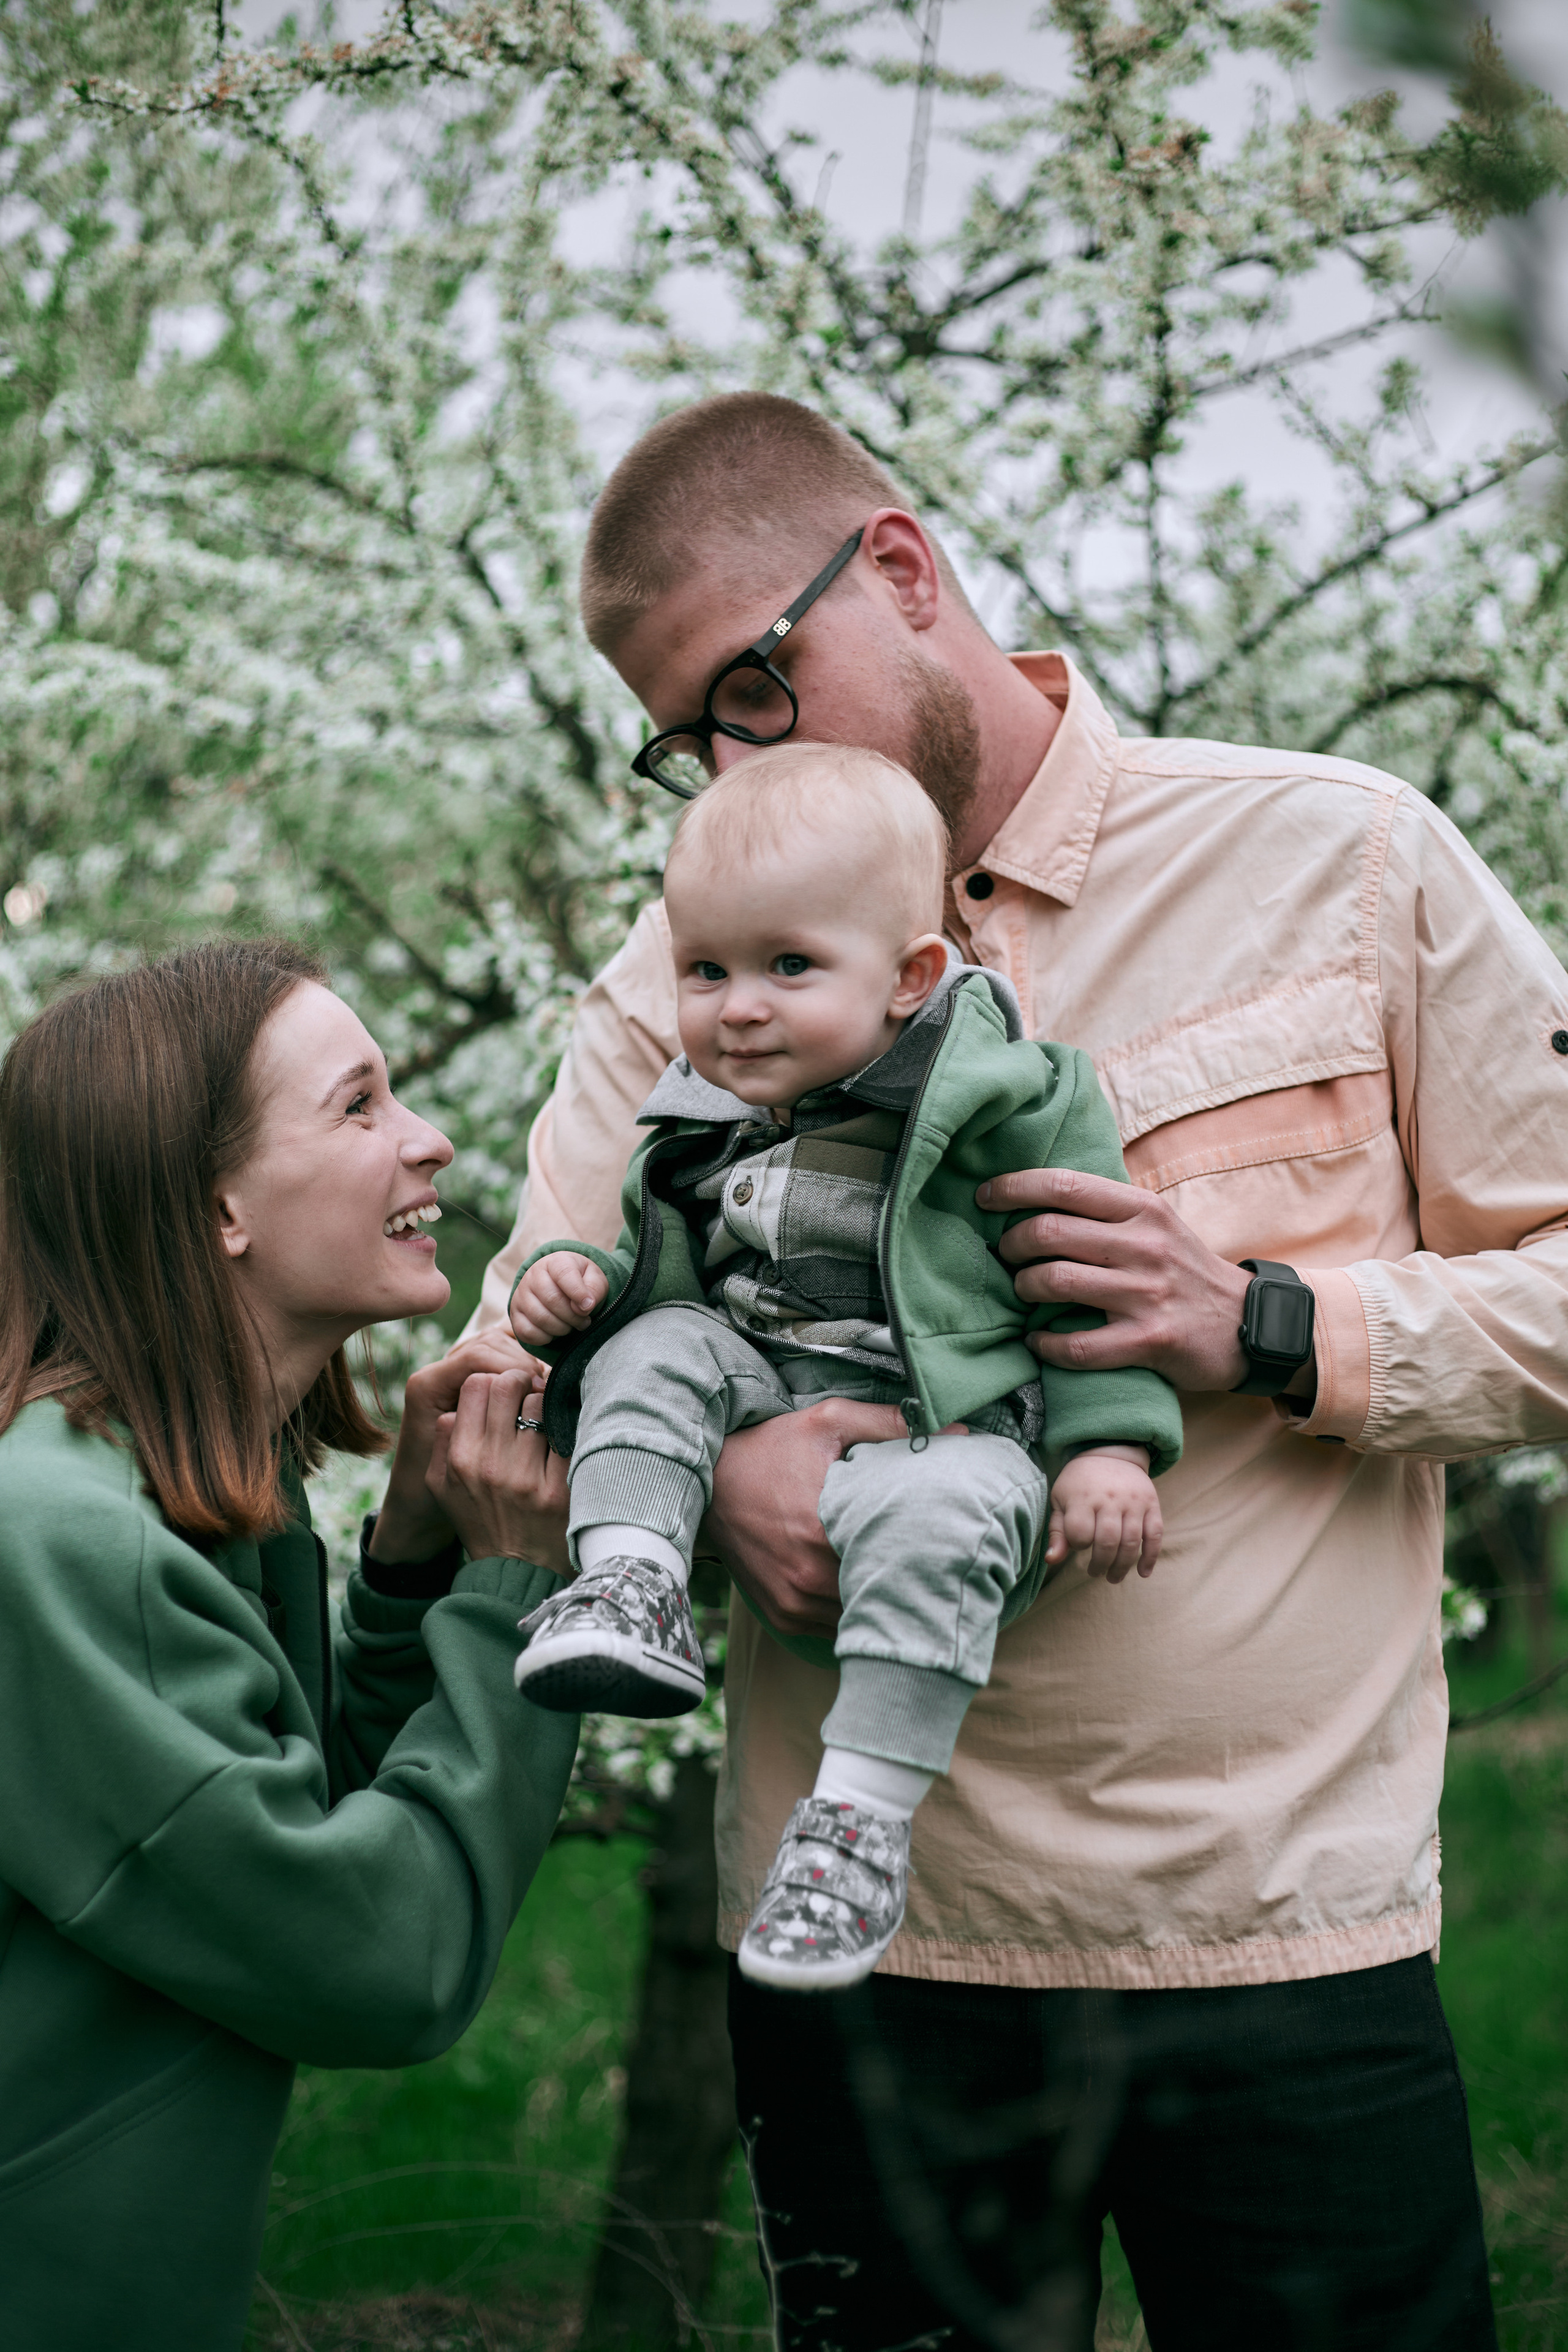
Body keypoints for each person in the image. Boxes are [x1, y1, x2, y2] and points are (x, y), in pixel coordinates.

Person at [473, 393, 1568, 2350]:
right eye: (689, 735)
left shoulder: (1339, 860)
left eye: (755, 683)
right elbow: (517, 1362)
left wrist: (1276, 1325)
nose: (736, 761)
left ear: (899, 571)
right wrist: (710, 1470)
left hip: (1283, 1941)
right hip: (868, 1965)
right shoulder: (683, 974)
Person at [507, 743, 1181, 1990]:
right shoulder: (707, 1108)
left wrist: (1105, 1447)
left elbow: (1090, 1284)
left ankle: (857, 1825)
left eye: (787, 967)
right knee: (653, 1347)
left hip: (941, 1428)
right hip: (762, 1391)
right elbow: (667, 1280)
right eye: (703, 970)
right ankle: (632, 1584)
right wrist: (583, 1294)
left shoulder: (1009, 1096)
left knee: (950, 1510)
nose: (736, 1007)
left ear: (908, 977)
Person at [0, 938, 575, 2352]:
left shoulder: (172, 1512)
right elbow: (374, 1961)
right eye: (359, 1106)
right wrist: (511, 1593)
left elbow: (300, 1837)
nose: (428, 1140)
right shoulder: (70, 1543)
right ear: (220, 1212)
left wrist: (413, 1565)